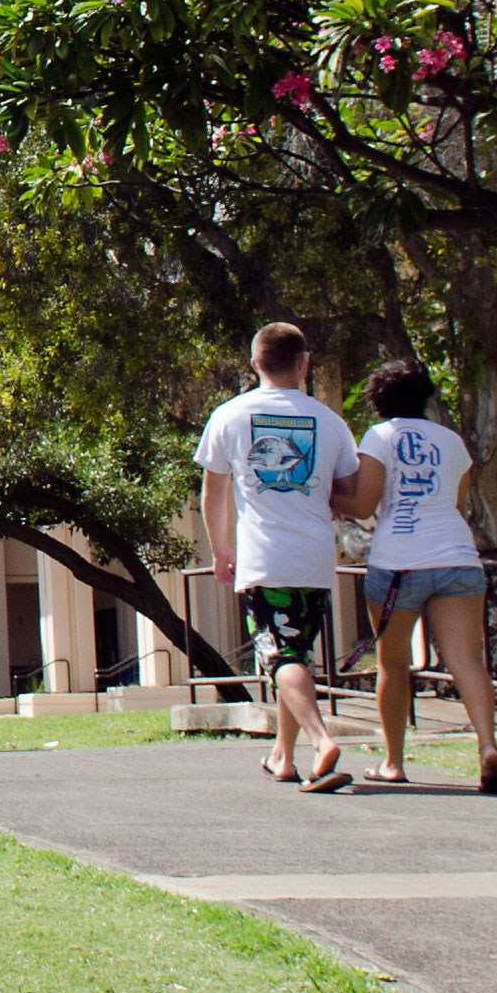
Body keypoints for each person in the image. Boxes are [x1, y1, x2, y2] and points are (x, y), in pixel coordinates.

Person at [197, 323, 363, 793]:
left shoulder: (230, 416)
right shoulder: (330, 422)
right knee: (296, 658)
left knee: (281, 656)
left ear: (254, 365)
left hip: (265, 559)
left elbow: (214, 492)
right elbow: (348, 491)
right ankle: (283, 757)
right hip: (315, 560)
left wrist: (221, 548)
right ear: (303, 364)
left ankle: (320, 739)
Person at [352, 359, 497, 793]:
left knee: (393, 662)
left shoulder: (379, 437)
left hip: (399, 562)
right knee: (467, 660)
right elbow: (455, 502)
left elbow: (365, 503)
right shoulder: (452, 440)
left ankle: (393, 762)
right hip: (457, 556)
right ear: (426, 396)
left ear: (377, 400)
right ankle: (487, 748)